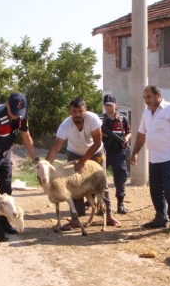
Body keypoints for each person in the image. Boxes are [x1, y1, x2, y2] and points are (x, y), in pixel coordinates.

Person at [45, 97, 121, 230]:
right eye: (74, 111)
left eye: (80, 111)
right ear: (70, 111)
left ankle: (108, 215)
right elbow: (56, 147)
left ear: (85, 110)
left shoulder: (93, 119)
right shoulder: (65, 125)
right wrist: (45, 167)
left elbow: (97, 142)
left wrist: (83, 161)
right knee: (72, 183)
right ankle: (76, 219)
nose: (77, 115)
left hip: (95, 151)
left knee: (101, 181)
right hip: (74, 152)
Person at [0, 92, 39, 242]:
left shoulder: (21, 116)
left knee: (6, 189)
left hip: (5, 153)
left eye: (20, 113)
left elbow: (26, 137)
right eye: (14, 112)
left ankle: (5, 224)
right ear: (7, 105)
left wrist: (36, 160)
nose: (17, 116)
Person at [130, 85, 170, 232]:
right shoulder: (146, 113)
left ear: (158, 95)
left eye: (149, 97)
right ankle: (160, 218)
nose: (146, 100)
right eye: (144, 98)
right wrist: (135, 152)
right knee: (155, 189)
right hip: (154, 158)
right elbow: (141, 135)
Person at [100, 94, 131, 215]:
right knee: (98, 177)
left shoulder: (122, 119)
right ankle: (98, 203)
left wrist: (126, 139)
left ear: (115, 105)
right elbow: (92, 132)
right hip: (104, 152)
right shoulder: (100, 119)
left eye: (111, 105)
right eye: (106, 105)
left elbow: (129, 132)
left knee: (120, 178)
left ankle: (120, 204)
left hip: (118, 152)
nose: (108, 108)